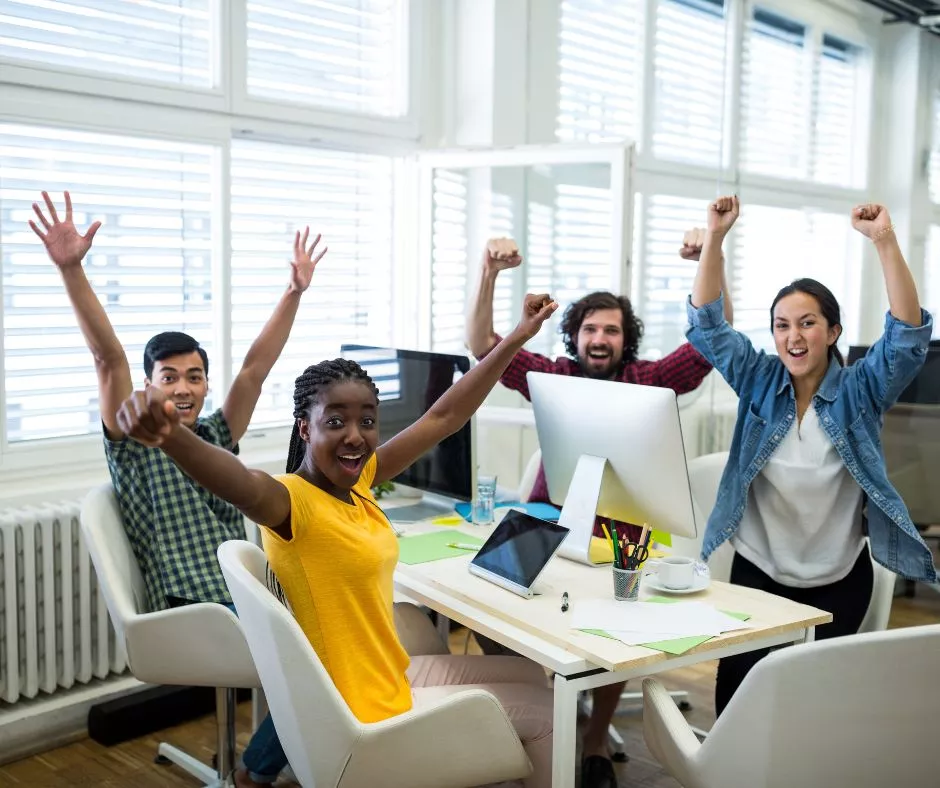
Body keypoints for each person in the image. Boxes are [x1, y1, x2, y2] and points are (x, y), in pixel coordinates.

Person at [115, 293, 562, 788]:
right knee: (548, 713)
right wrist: (171, 437)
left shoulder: (360, 483)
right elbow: (235, 479)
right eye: (336, 422)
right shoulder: (289, 503)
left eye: (367, 421)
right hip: (362, 707)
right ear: (305, 429)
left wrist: (516, 338)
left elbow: (442, 418)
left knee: (531, 680)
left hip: (386, 676)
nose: (355, 435)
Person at [30, 190, 326, 784]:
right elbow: (106, 355)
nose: (184, 388)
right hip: (195, 604)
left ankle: (303, 750)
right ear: (150, 384)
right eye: (170, 377)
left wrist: (293, 291)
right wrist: (72, 268)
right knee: (316, 657)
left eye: (195, 376)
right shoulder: (134, 441)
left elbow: (256, 368)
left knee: (342, 626)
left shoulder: (216, 432)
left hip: (246, 588)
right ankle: (260, 769)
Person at [465, 236, 733, 788]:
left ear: (625, 338)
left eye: (611, 329)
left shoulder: (649, 380)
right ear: (575, 335)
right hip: (545, 515)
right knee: (485, 604)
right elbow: (482, 347)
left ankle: (592, 741)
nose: (600, 338)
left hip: (623, 528)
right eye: (590, 328)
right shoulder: (554, 373)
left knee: (615, 632)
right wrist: (488, 274)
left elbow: (712, 341)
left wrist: (711, 259)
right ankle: (543, 709)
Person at [687, 195, 938, 716]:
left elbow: (908, 338)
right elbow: (709, 328)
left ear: (832, 332)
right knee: (739, 701)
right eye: (781, 324)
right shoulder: (758, 380)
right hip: (758, 573)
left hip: (839, 579)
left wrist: (884, 241)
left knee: (818, 710)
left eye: (806, 323)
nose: (792, 336)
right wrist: (715, 236)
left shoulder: (861, 390)